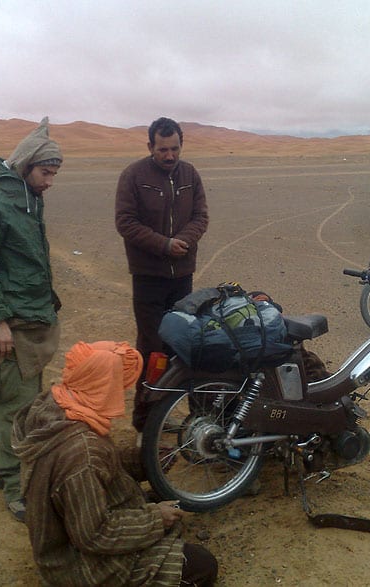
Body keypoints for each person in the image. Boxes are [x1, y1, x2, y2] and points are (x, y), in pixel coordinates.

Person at [12, 341, 218, 586]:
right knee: (202, 566)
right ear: (102, 385)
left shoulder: (62, 405)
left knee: (154, 506)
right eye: (115, 384)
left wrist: (144, 460)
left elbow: (102, 467)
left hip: (67, 535)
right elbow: (94, 535)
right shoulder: (82, 453)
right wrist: (155, 518)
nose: (121, 392)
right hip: (78, 565)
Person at [0, 117, 63, 522]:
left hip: (30, 319)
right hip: (6, 326)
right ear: (24, 166)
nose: (50, 181)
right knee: (10, 407)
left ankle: (5, 469)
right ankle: (15, 488)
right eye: (45, 172)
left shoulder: (26, 199)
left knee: (25, 400)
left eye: (54, 173)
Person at [115, 117, 209, 434]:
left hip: (182, 276)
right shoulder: (134, 176)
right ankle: (145, 420)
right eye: (162, 149)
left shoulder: (190, 175)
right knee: (153, 349)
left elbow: (201, 216)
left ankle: (199, 418)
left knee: (185, 344)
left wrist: (185, 240)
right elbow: (125, 222)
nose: (169, 156)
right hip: (148, 278)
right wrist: (163, 245)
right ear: (150, 147)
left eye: (174, 149)